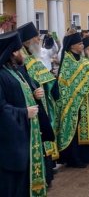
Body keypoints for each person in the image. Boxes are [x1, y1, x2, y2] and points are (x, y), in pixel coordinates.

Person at [0, 31, 49, 197]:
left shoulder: (14, 71)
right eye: (20, 51)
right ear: (13, 53)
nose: (23, 55)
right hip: (11, 142)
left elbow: (18, 95)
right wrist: (24, 113)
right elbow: (2, 107)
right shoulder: (1, 75)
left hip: (24, 136)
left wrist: (34, 95)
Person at [17, 22, 59, 185]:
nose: (38, 40)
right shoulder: (24, 60)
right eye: (35, 38)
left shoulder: (33, 57)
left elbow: (45, 77)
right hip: (32, 106)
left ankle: (47, 173)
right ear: (27, 41)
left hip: (43, 103)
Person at [56, 32, 89, 168]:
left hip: (83, 99)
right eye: (80, 44)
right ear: (72, 46)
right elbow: (73, 77)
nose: (82, 45)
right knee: (73, 130)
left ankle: (84, 155)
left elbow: (86, 69)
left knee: (83, 127)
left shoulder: (79, 59)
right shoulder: (68, 60)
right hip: (72, 102)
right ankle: (73, 158)